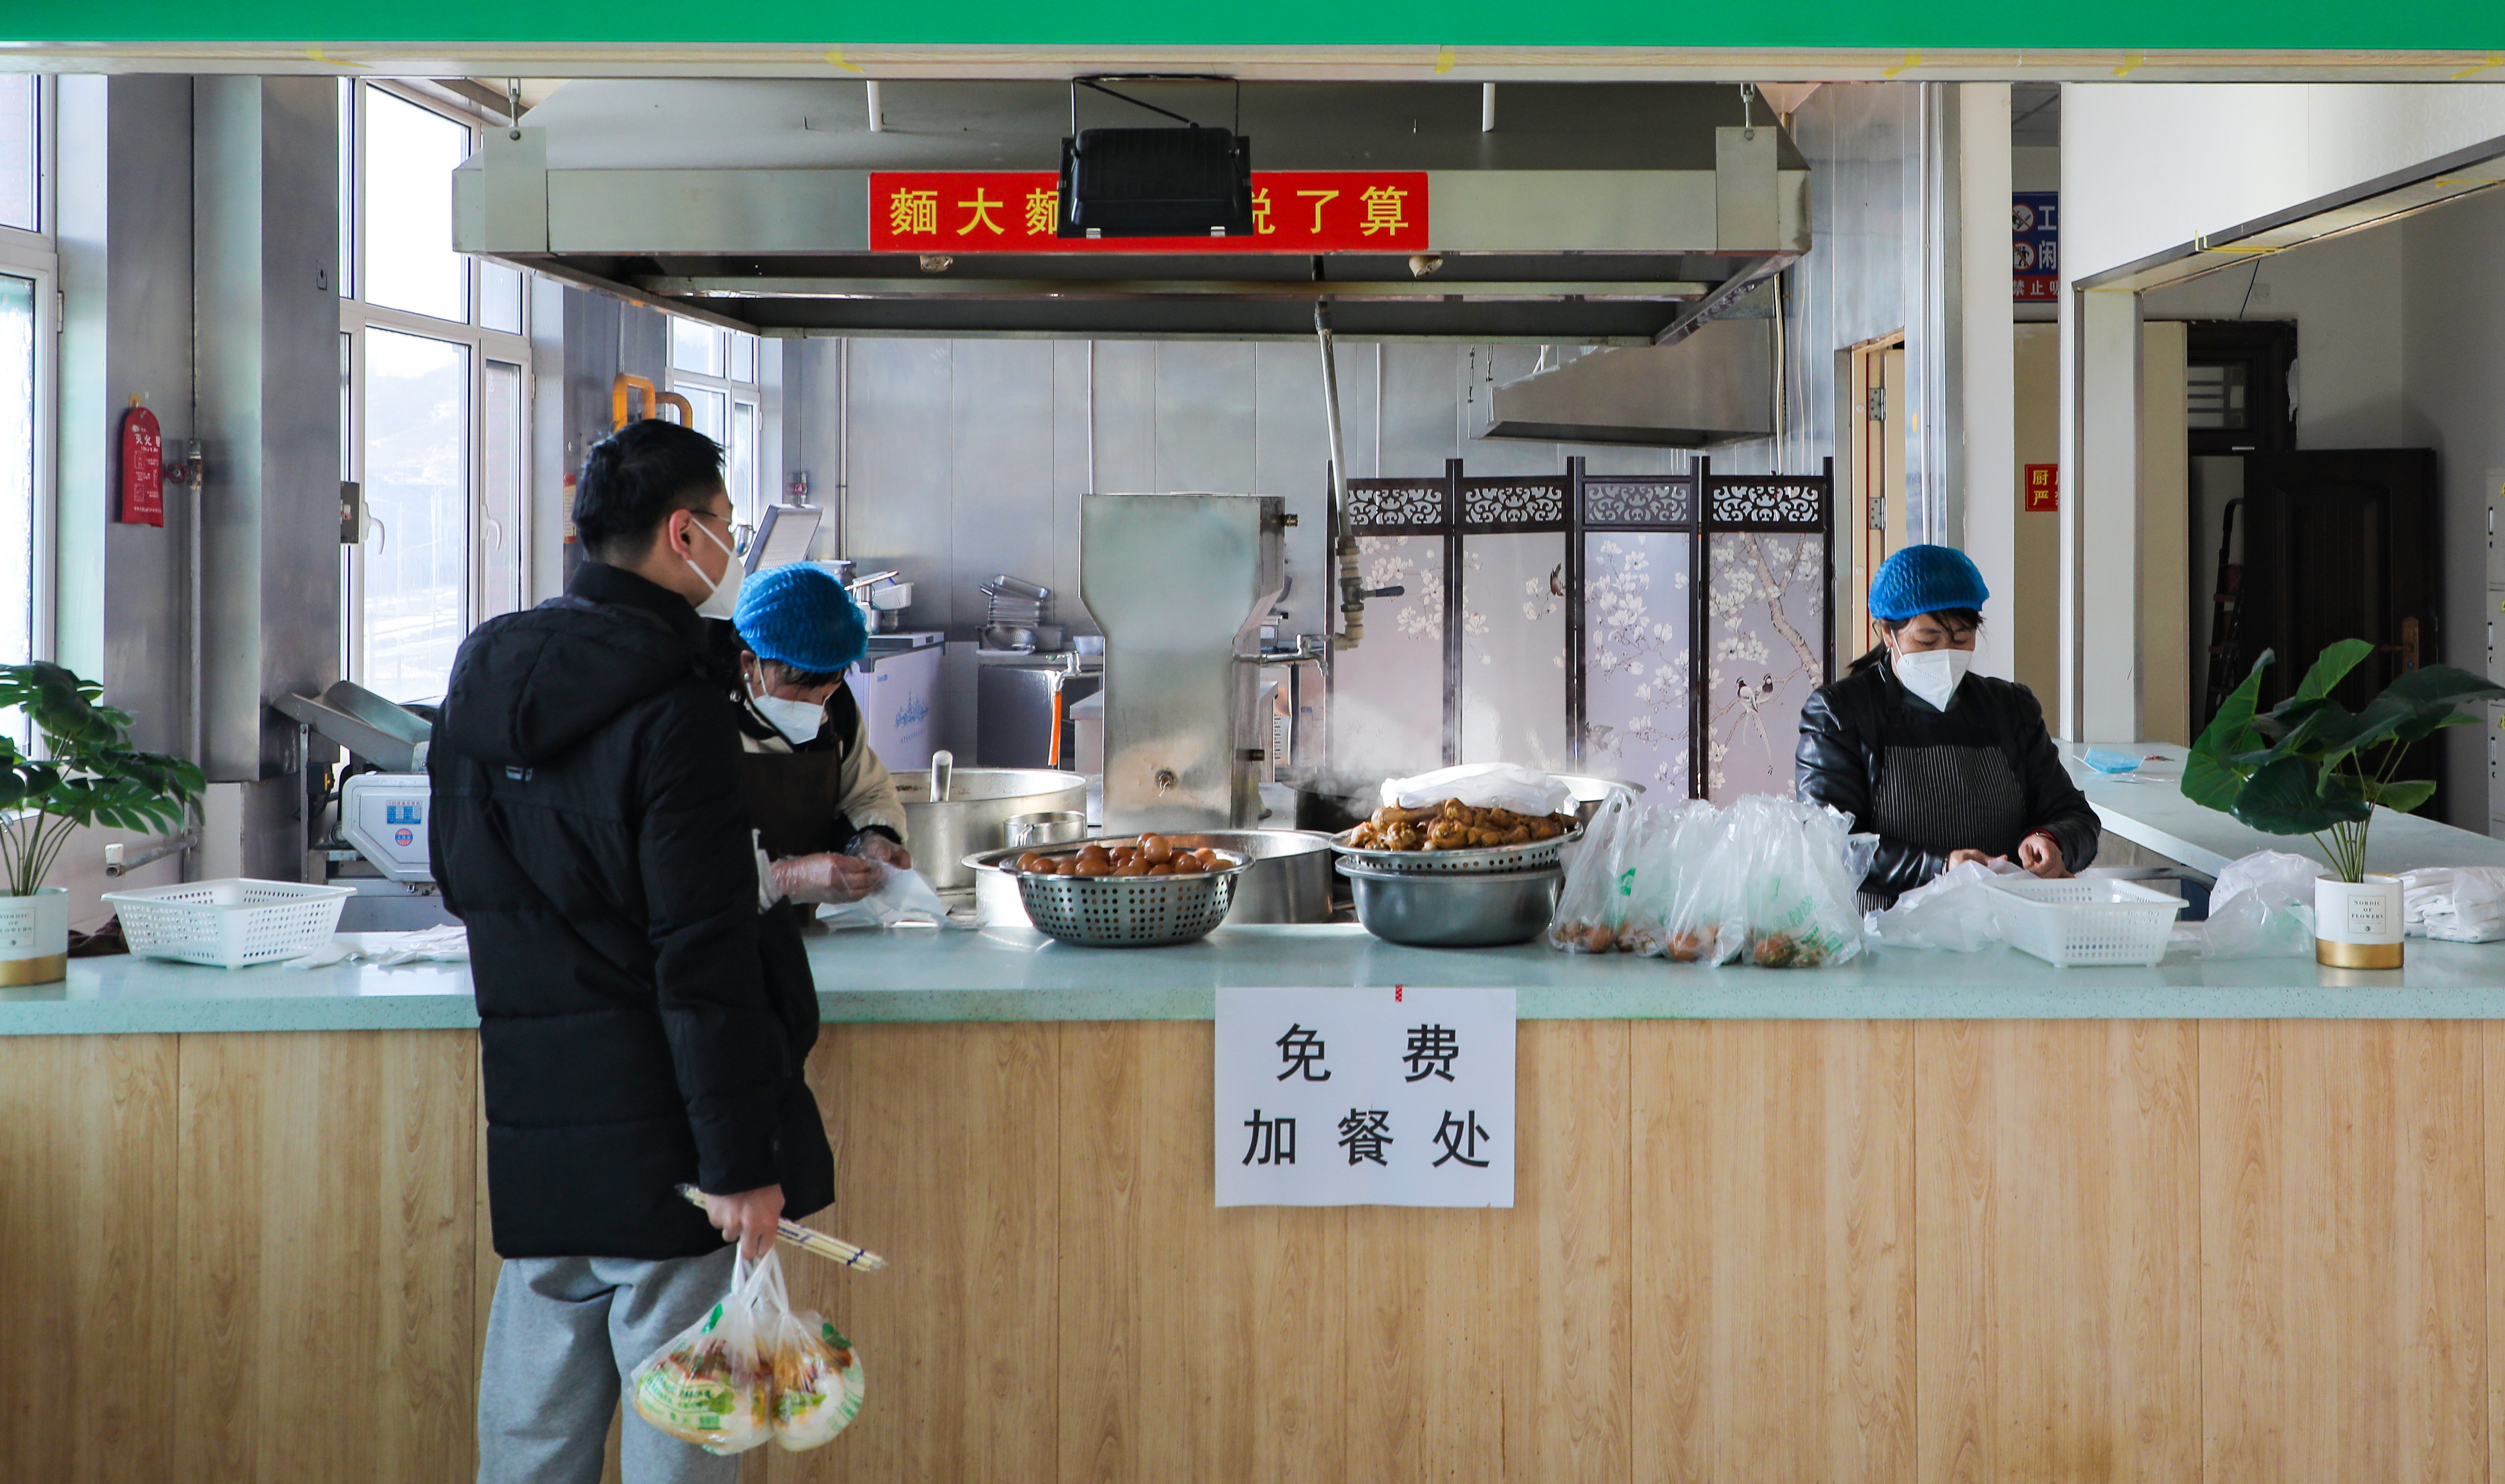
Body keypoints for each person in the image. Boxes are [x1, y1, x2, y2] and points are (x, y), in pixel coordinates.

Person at [430, 418, 834, 1484]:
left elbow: (460, 880)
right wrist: (740, 1164)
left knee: (530, 1446)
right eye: (727, 526)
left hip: (535, 1135)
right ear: (681, 532)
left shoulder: (484, 672)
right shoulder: (675, 706)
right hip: (666, 1150)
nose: (734, 548)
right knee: (681, 1445)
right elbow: (701, 953)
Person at [1795, 543, 2098, 906]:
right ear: (1887, 633)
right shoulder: (1839, 714)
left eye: (1960, 639)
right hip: (1885, 930)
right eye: (1927, 640)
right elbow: (1830, 844)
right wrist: (1941, 866)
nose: (1944, 653)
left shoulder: (2010, 709)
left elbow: (2074, 815)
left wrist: (2053, 841)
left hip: (2000, 923)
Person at [723, 563, 913, 909]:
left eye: (827, 691)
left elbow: (866, 793)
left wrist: (871, 840)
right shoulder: (700, 721)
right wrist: (786, 880)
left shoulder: (838, 711)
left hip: (815, 928)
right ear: (750, 664)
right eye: (801, 690)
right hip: (724, 929)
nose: (816, 707)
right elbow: (683, 868)